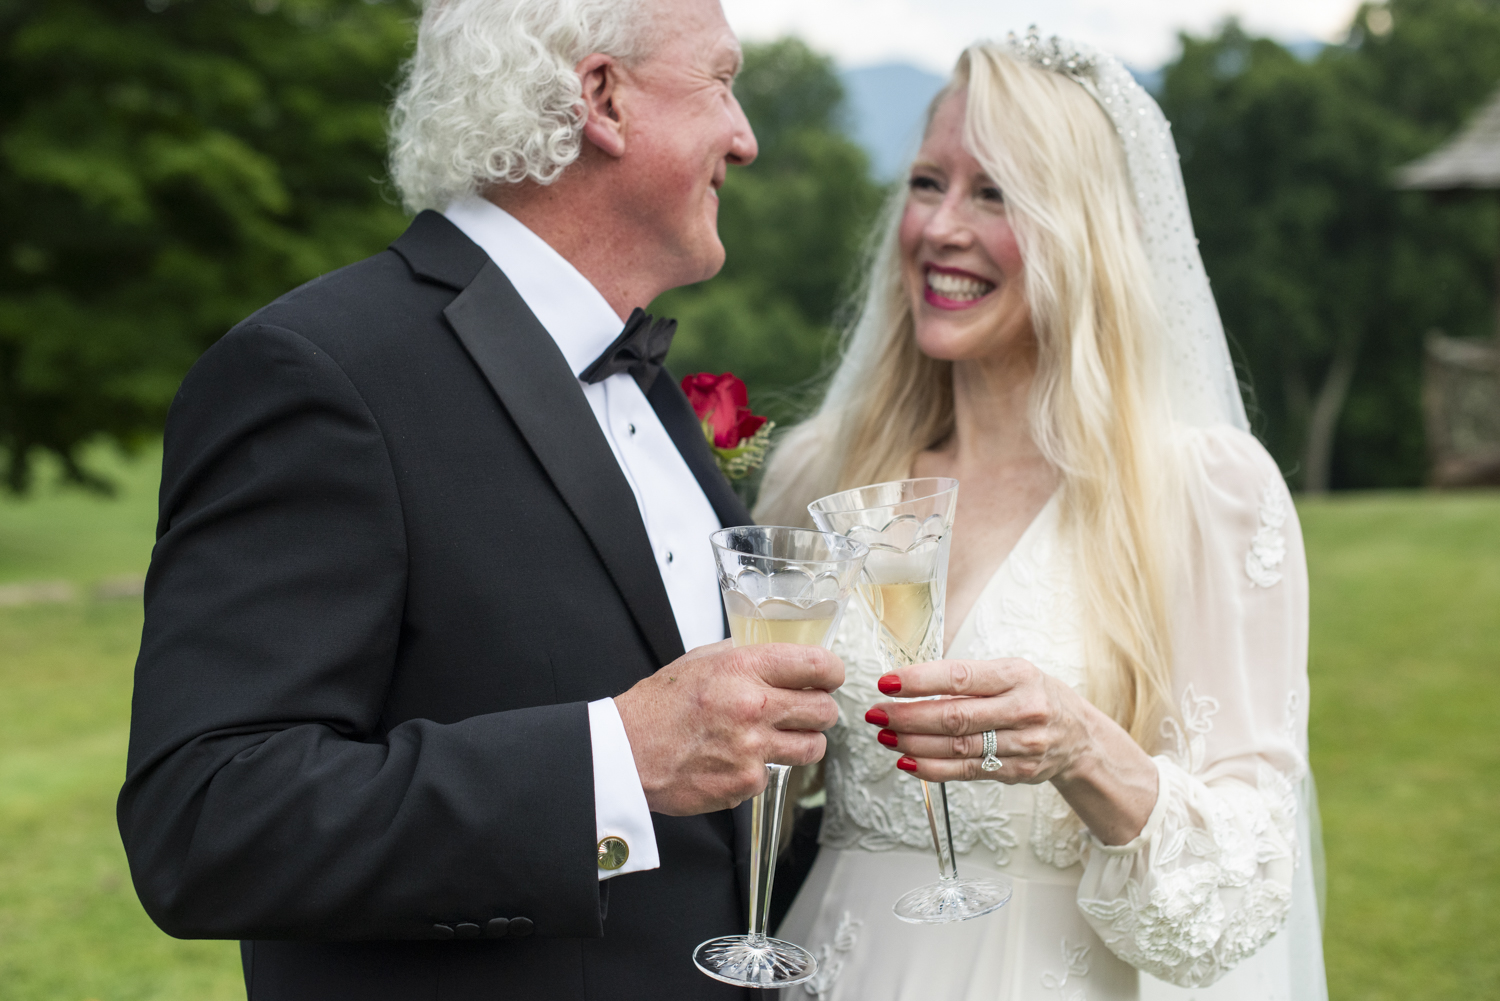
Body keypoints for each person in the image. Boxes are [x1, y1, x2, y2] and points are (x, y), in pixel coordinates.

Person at [116, 1, 846, 998]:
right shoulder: (320, 372)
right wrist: (612, 761)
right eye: (722, 81)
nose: (745, 136)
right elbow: (206, 822)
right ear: (603, 98)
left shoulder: (648, 384)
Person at [755, 32, 1328, 1001]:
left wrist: (1080, 743)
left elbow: (1251, 878)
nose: (941, 228)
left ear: (1083, 230)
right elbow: (767, 782)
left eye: (997, 193)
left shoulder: (1204, 492)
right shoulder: (826, 467)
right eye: (929, 182)